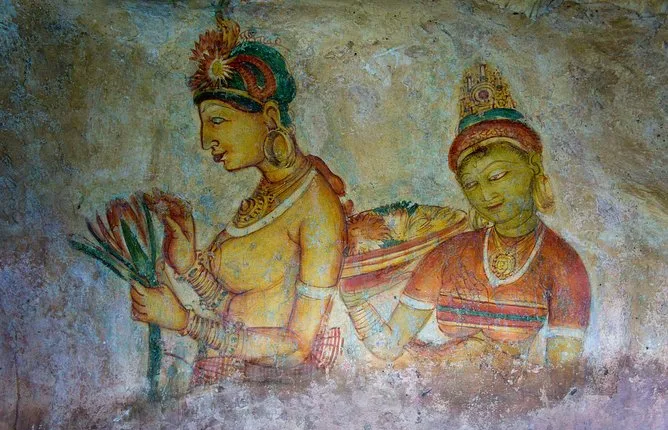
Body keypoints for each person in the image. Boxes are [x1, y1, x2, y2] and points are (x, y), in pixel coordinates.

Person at [129, 15, 347, 383]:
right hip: (230, 383)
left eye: (217, 120)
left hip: (273, 396)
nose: (205, 140)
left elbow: (296, 347)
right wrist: (188, 266)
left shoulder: (316, 208)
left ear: (269, 117)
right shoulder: (270, 190)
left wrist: (184, 322)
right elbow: (235, 308)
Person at [342, 64, 591, 385]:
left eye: (497, 175)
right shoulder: (449, 253)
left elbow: (561, 380)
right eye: (472, 184)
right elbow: (389, 346)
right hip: (434, 392)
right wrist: (355, 301)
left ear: (533, 168)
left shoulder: (564, 266)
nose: (485, 194)